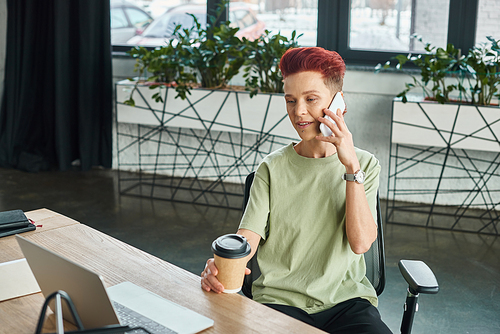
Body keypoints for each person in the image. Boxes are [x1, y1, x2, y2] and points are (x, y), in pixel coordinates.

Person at [200, 47, 392, 334]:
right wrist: (220, 266)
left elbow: (361, 244)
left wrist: (351, 167)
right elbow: (247, 239)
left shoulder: (364, 164)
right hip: (280, 302)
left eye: (311, 99)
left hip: (347, 303)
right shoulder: (272, 168)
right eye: (291, 100)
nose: (299, 111)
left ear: (339, 103)